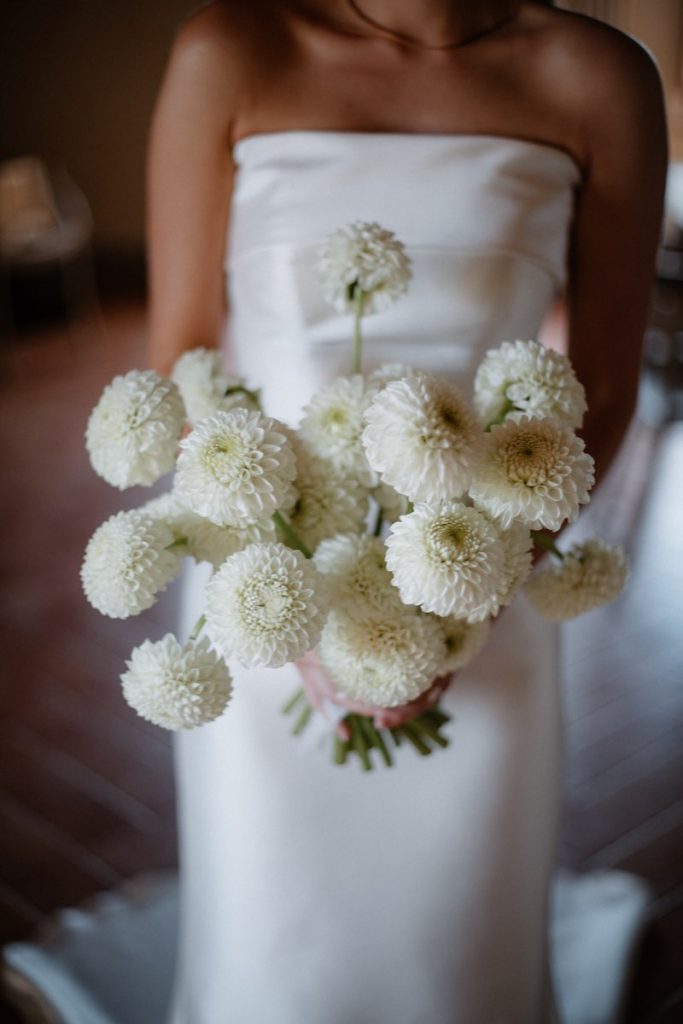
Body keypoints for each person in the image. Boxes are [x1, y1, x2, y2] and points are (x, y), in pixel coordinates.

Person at [147, 2, 667, 1021]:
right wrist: (296, 604)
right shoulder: (232, 49)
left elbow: (601, 392)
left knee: (459, 947)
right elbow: (183, 355)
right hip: (265, 588)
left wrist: (456, 604)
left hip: (486, 579)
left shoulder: (599, 79)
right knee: (271, 942)